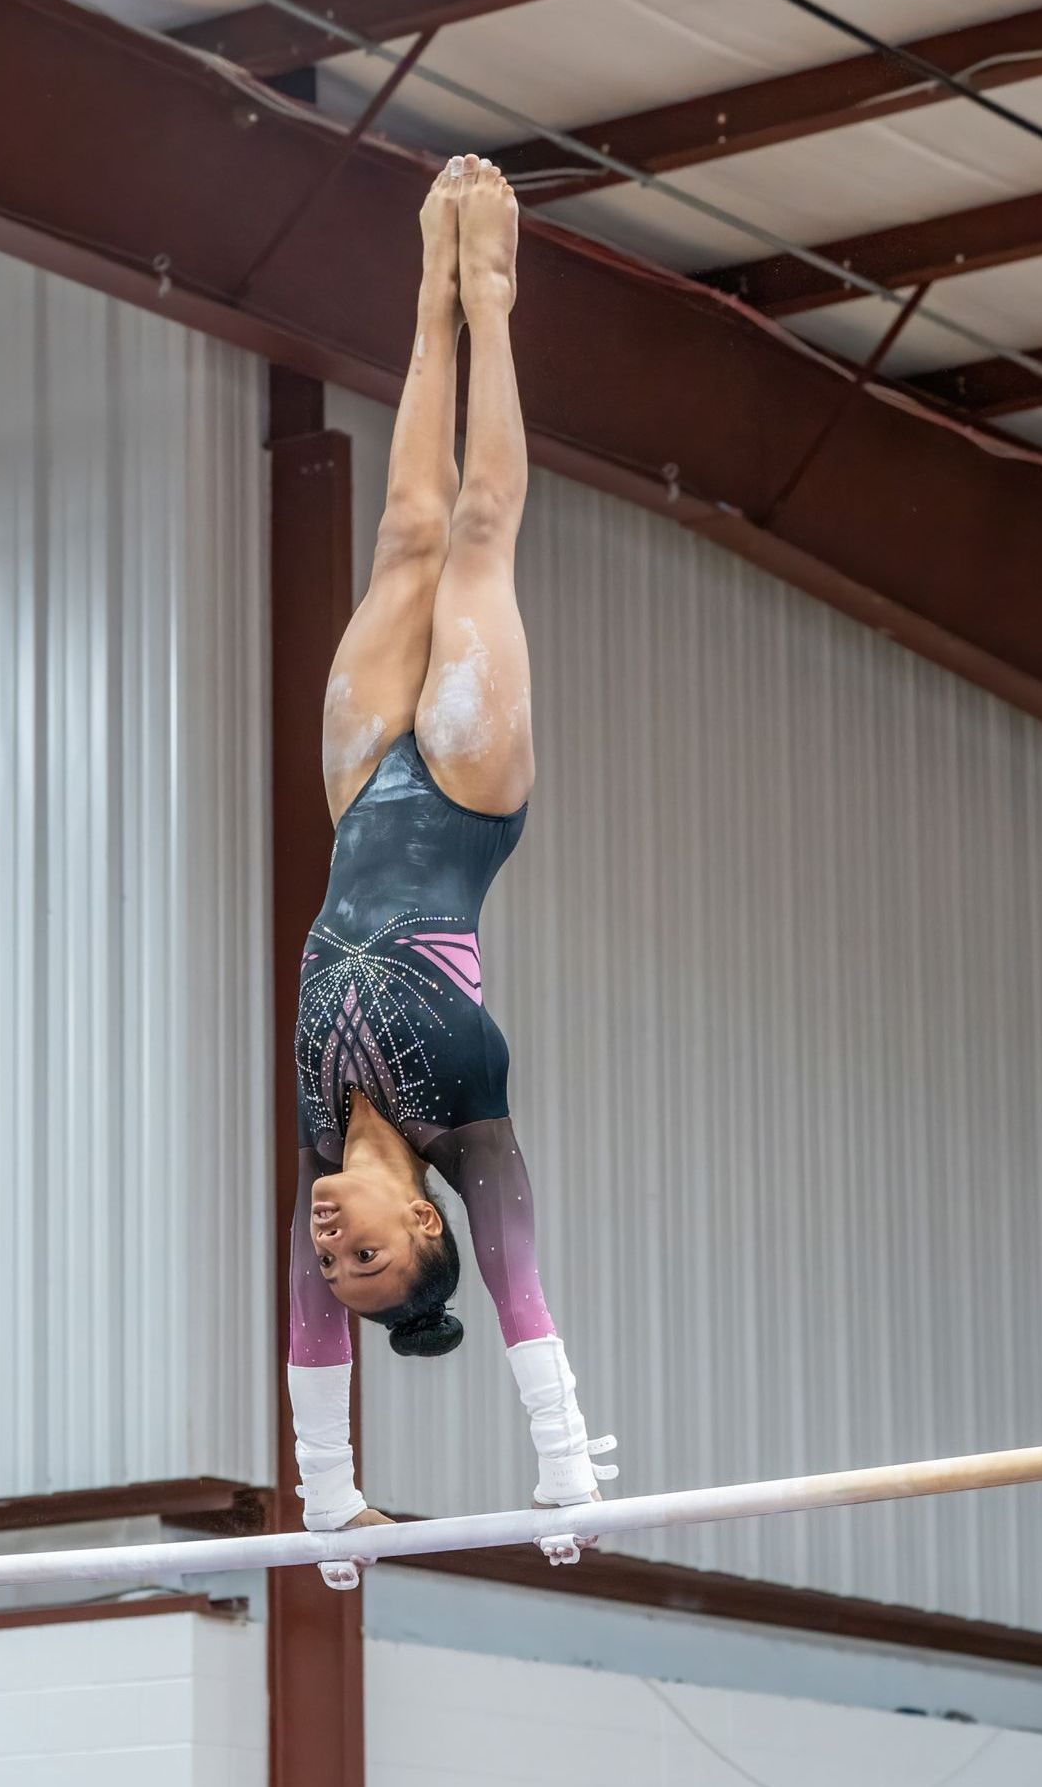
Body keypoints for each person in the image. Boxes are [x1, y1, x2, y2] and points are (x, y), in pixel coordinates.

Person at [286, 155, 615, 1556]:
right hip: (465, 805)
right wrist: (562, 1474)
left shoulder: (316, 1141)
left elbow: (311, 1348)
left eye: (327, 1263)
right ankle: (494, 293)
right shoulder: (467, 1119)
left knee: (406, 530)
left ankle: (428, 291)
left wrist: (329, 1508)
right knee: (480, 533)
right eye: (364, 1254)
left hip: (360, 794)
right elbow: (522, 1276)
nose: (327, 1244)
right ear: (427, 1227)